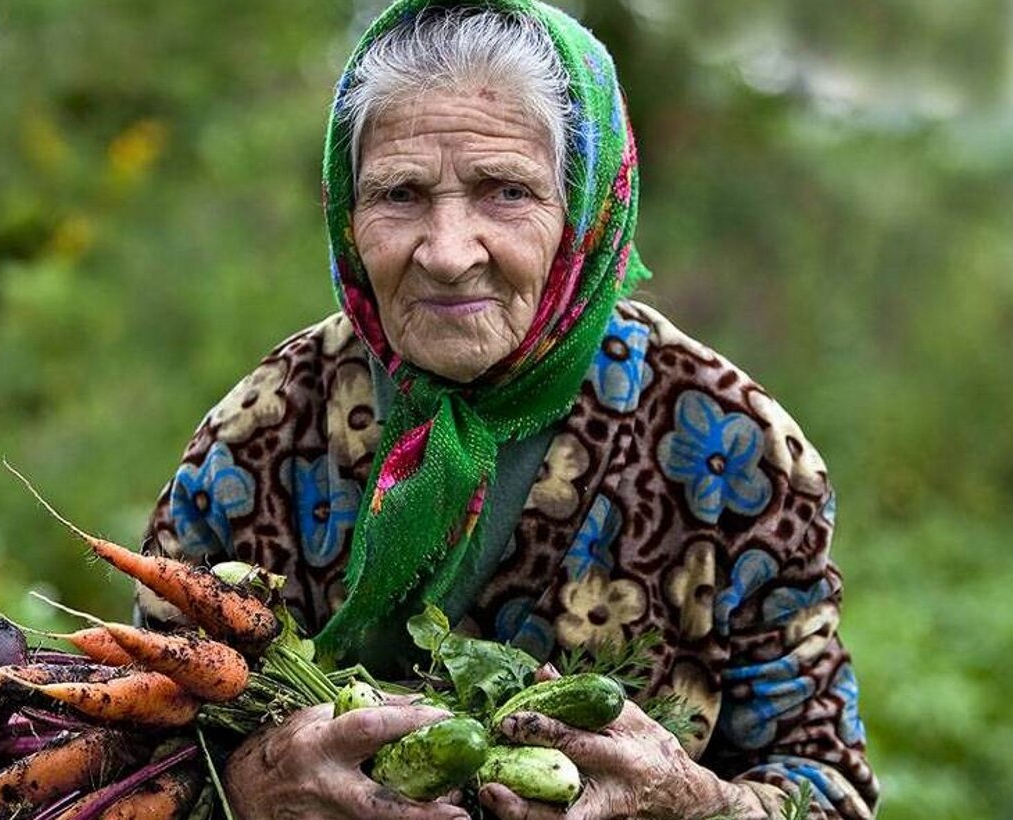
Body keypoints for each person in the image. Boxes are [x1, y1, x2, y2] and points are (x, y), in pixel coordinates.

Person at [136, 1, 879, 817]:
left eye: (506, 191)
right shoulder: (258, 438)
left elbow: (829, 789)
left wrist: (692, 802)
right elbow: (137, 758)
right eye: (401, 194)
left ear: (585, 211)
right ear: (348, 218)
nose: (449, 252)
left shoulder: (731, 449)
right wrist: (248, 787)